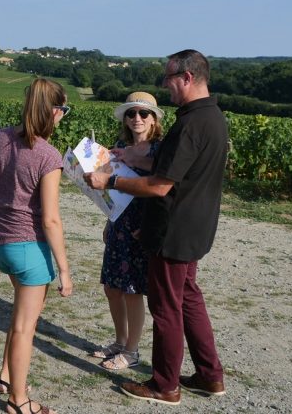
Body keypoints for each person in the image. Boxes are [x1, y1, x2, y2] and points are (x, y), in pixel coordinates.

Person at [84, 49, 228, 406]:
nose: (166, 85)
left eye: (169, 78)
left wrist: (111, 183)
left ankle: (165, 385)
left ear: (188, 77)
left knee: (166, 308)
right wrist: (137, 157)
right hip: (196, 228)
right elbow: (178, 167)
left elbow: (161, 185)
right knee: (190, 300)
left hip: (172, 232)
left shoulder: (190, 123)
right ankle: (210, 376)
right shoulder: (212, 118)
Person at [0, 78, 73, 414]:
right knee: (25, 326)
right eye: (64, 109)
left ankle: (5, 376)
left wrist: (5, 206)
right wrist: (64, 270)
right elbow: (50, 220)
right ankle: (18, 401)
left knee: (20, 315)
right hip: (29, 248)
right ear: (55, 111)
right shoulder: (48, 155)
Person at [91, 92, 164, 371]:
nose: (137, 118)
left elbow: (163, 193)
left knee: (132, 289)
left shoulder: (160, 151)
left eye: (143, 114)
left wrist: (147, 226)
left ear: (154, 119)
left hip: (141, 224)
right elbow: (110, 191)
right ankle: (120, 341)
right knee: (112, 286)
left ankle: (132, 351)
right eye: (131, 113)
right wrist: (109, 221)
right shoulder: (120, 147)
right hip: (119, 222)